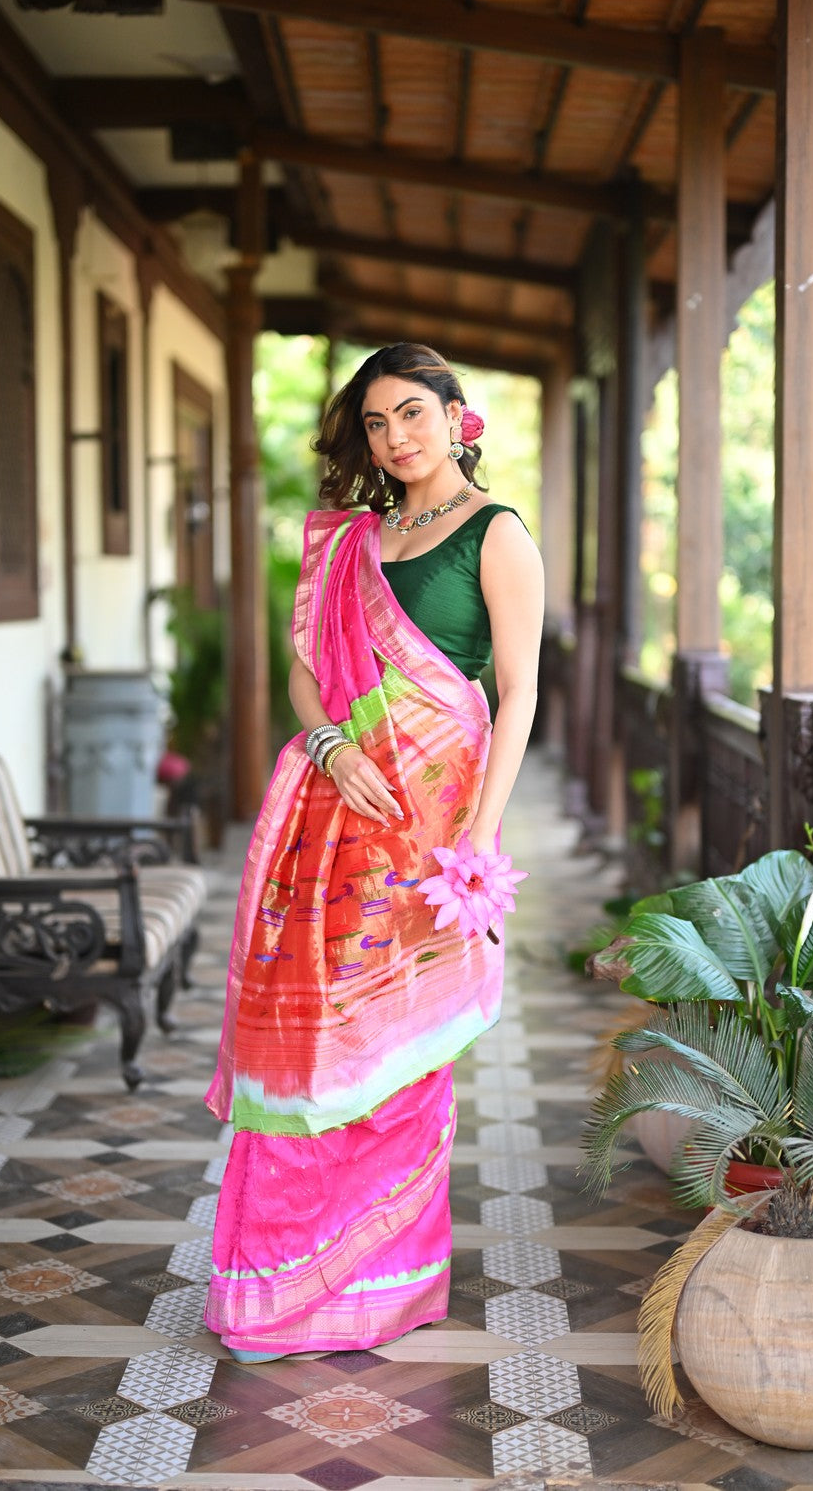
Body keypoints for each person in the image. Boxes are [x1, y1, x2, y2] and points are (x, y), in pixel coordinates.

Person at [204, 342, 544, 1362]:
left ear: (456, 414)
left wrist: (476, 836)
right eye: (375, 423)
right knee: (315, 1033)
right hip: (335, 815)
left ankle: (381, 1283)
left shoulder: (496, 533)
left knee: (398, 1044)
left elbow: (519, 691)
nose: (395, 437)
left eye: (411, 413)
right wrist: (332, 745)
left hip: (432, 829)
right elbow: (305, 675)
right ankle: (284, 1284)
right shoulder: (352, 539)